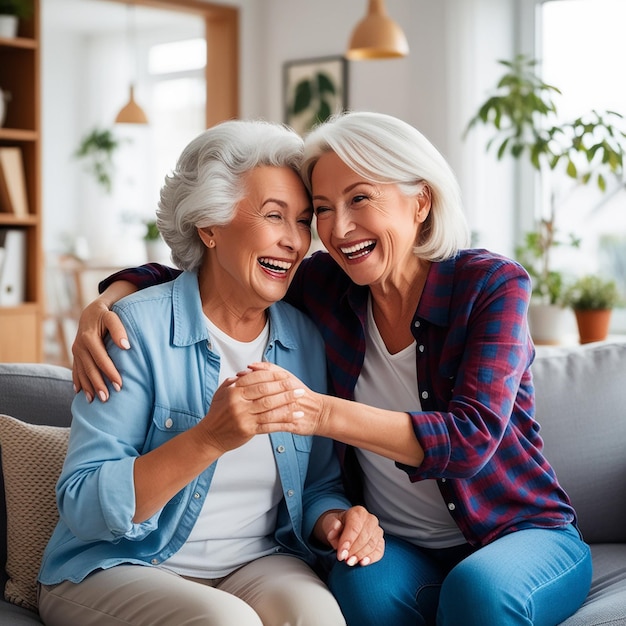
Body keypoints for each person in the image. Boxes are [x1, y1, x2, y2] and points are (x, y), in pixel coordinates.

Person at [70, 111, 593, 626]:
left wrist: (314, 411)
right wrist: (111, 297)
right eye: (321, 209)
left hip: (516, 530)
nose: (335, 230)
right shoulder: (327, 287)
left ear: (420, 201)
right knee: (358, 590)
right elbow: (217, 270)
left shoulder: (490, 285)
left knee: (477, 593)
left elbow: (470, 441)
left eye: (359, 198)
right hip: (398, 545)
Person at [37, 119, 385, 626]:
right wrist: (207, 439)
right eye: (273, 216)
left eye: (303, 221)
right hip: (120, 564)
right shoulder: (133, 330)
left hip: (255, 562)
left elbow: (318, 485)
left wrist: (335, 522)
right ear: (209, 226)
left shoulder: (304, 340)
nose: (294, 241)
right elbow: (84, 504)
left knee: (318, 617)